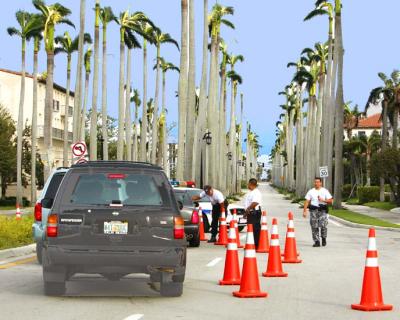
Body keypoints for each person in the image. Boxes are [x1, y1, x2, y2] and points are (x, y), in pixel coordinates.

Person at [303, 177, 333, 247]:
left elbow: (331, 200)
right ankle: (316, 241)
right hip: (313, 210)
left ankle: (324, 238)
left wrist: (323, 200)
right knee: (314, 226)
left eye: (318, 182)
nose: (316, 183)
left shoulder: (325, 191)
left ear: (321, 183)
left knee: (323, 225)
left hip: (322, 210)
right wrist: (304, 211)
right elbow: (307, 201)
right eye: (315, 182)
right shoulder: (311, 191)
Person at [244, 178, 262, 248]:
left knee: (255, 229)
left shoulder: (256, 192)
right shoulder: (251, 192)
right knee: (251, 229)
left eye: (248, 183)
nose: (247, 185)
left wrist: (247, 210)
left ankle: (256, 245)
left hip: (254, 212)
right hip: (251, 212)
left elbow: (255, 203)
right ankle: (251, 244)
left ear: (251, 184)